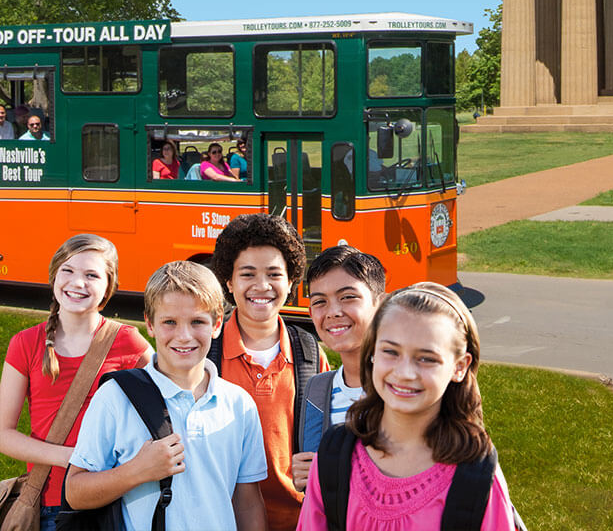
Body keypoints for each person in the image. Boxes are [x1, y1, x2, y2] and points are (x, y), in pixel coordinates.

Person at [295, 284, 520, 530]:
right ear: (372, 354)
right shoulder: (335, 456)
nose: (404, 373)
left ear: (460, 366)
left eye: (426, 358)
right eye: (390, 351)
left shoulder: (475, 476)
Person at [64, 261, 269, 531]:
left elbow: (248, 502)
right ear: (150, 324)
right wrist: (137, 471)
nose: (184, 336)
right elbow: (75, 492)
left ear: (217, 323)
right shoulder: (115, 397)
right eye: (169, 322)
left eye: (197, 322)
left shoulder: (239, 404)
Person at [0, 234, 152, 531]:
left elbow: (167, 398)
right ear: (54, 275)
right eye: (67, 271)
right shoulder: (26, 343)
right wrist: (73, 458)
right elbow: (4, 434)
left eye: (92, 275)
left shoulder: (127, 341)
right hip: (49, 505)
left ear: (109, 285)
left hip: (110, 500)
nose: (77, 282)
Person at [209, 214, 329, 531]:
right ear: (229, 282)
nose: (262, 286)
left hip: (299, 519)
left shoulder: (310, 354)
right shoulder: (207, 353)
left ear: (290, 282)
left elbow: (329, 440)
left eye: (274, 274)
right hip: (223, 519)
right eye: (247, 274)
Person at [291, 245, 386, 492]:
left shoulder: (402, 388)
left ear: (381, 305)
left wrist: (330, 473)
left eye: (348, 297)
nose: (333, 312)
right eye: (320, 302)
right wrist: (305, 479)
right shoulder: (318, 391)